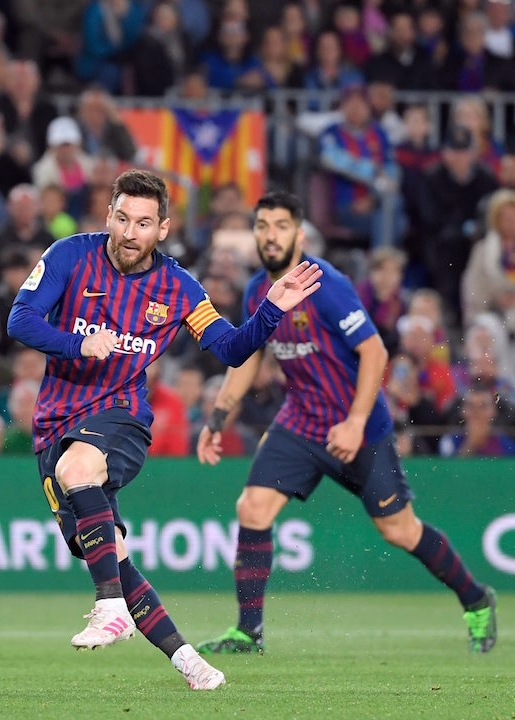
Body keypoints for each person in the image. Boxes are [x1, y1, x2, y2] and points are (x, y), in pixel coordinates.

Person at [6, 169, 323, 691]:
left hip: (122, 417)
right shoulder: (68, 255)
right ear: (109, 216)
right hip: (54, 425)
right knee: (110, 555)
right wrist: (77, 343)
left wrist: (270, 310)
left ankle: (108, 605)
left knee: (77, 469)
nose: (130, 232)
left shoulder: (179, 288)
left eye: (143, 223)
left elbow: (230, 349)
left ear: (163, 229)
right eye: (123, 219)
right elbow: (20, 319)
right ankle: (191, 664)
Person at [194, 191, 497, 656]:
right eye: (262, 226)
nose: (270, 235)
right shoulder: (258, 290)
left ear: (299, 234)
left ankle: (475, 598)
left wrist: (355, 423)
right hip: (301, 422)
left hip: (361, 427)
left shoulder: (327, 284)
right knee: (252, 508)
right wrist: (219, 415)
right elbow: (249, 355)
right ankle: (248, 632)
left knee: (399, 530)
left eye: (280, 226)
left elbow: (374, 351)